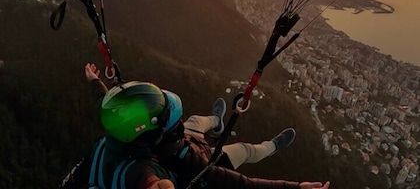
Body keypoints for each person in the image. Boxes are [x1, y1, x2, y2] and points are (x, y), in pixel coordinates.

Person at [71, 63, 331, 189]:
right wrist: (296, 188)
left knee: (197, 121)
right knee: (247, 150)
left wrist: (94, 80)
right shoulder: (183, 168)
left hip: (191, 142)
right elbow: (246, 186)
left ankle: (217, 121)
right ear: (156, 136)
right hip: (207, 157)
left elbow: (110, 106)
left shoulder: (119, 136)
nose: (178, 126)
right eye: (175, 125)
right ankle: (272, 146)